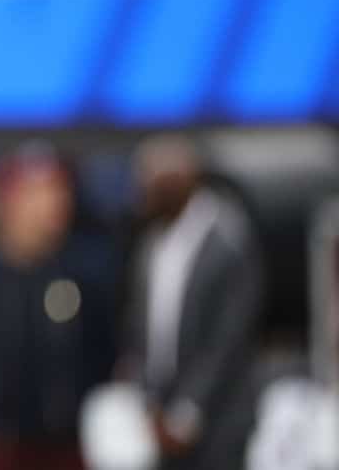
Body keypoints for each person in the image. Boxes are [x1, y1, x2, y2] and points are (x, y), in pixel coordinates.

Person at [0, 143, 118, 470]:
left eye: (58, 192)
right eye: (37, 193)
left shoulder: (84, 277)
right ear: (6, 201)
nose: (52, 204)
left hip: (67, 447)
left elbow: (104, 355)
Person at [119, 135, 262, 470]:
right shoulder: (151, 244)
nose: (142, 192)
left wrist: (188, 411)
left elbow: (228, 338)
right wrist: (150, 403)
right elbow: (142, 329)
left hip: (217, 418)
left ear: (180, 179)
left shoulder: (227, 239)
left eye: (150, 180)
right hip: (162, 421)